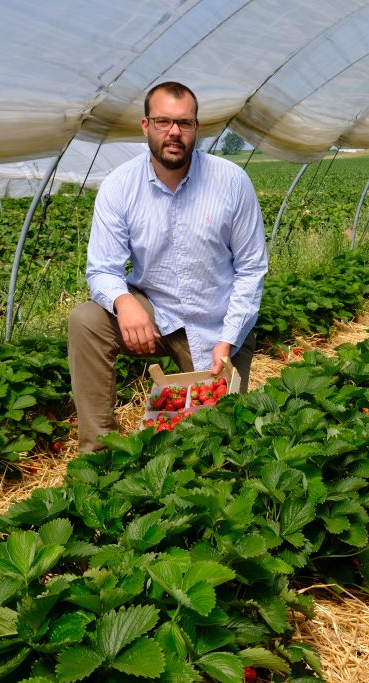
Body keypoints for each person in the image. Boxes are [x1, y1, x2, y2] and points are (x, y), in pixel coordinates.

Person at [68, 81, 268, 453]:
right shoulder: (120, 186)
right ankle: (97, 453)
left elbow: (251, 270)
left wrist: (227, 342)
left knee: (214, 443)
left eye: (184, 123)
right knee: (86, 321)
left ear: (196, 128)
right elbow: (101, 269)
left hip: (218, 324)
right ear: (146, 126)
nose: (174, 132)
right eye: (163, 122)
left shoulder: (231, 182)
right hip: (157, 316)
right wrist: (124, 303)